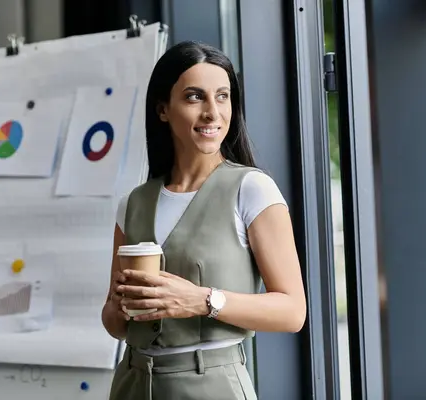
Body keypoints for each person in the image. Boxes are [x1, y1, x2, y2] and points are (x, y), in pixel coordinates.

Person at [102, 40, 307, 400]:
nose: (213, 112)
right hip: (132, 384)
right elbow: (114, 322)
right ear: (163, 110)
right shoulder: (133, 203)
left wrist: (203, 301)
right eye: (195, 97)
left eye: (223, 96)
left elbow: (293, 311)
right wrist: (121, 305)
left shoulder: (252, 189)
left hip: (212, 386)